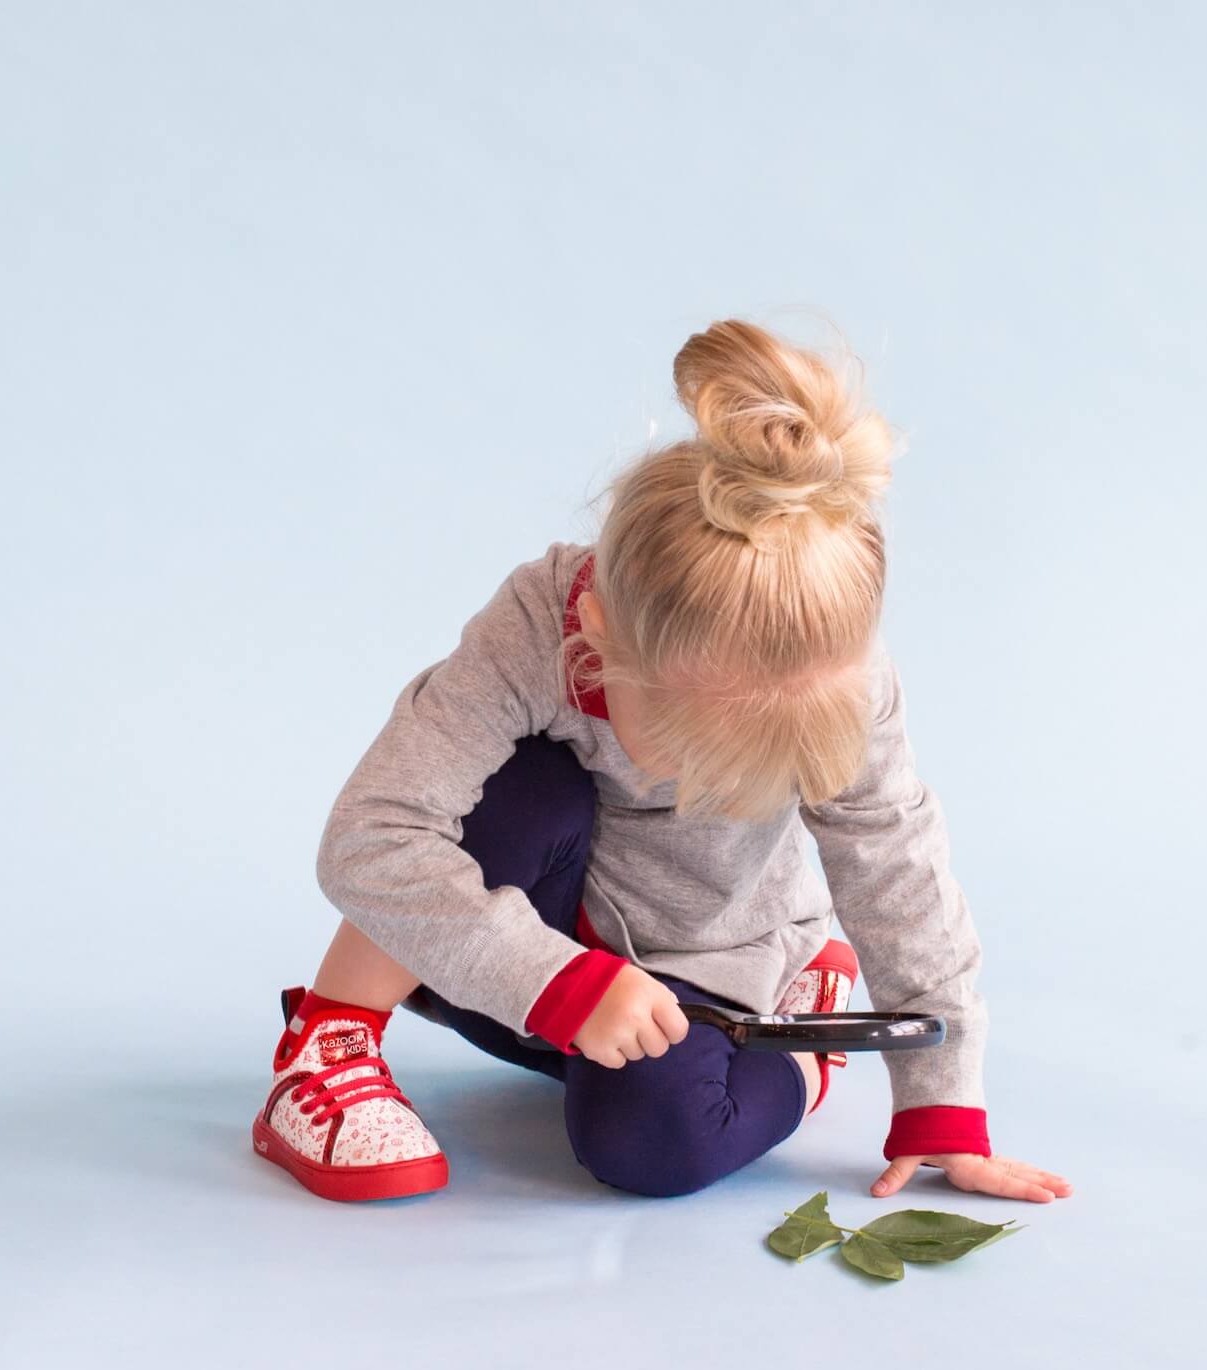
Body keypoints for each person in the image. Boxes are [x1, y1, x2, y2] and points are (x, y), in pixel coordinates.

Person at [251, 317, 1072, 1207]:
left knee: (650, 1148)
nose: (718, 789)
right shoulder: (537, 625)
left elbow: (895, 862)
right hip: (532, 955)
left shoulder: (835, 668)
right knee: (512, 789)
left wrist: (942, 1098)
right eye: (701, 754)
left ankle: (800, 1029)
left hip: (711, 970)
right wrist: (552, 980)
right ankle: (327, 1048)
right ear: (597, 634)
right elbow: (371, 836)